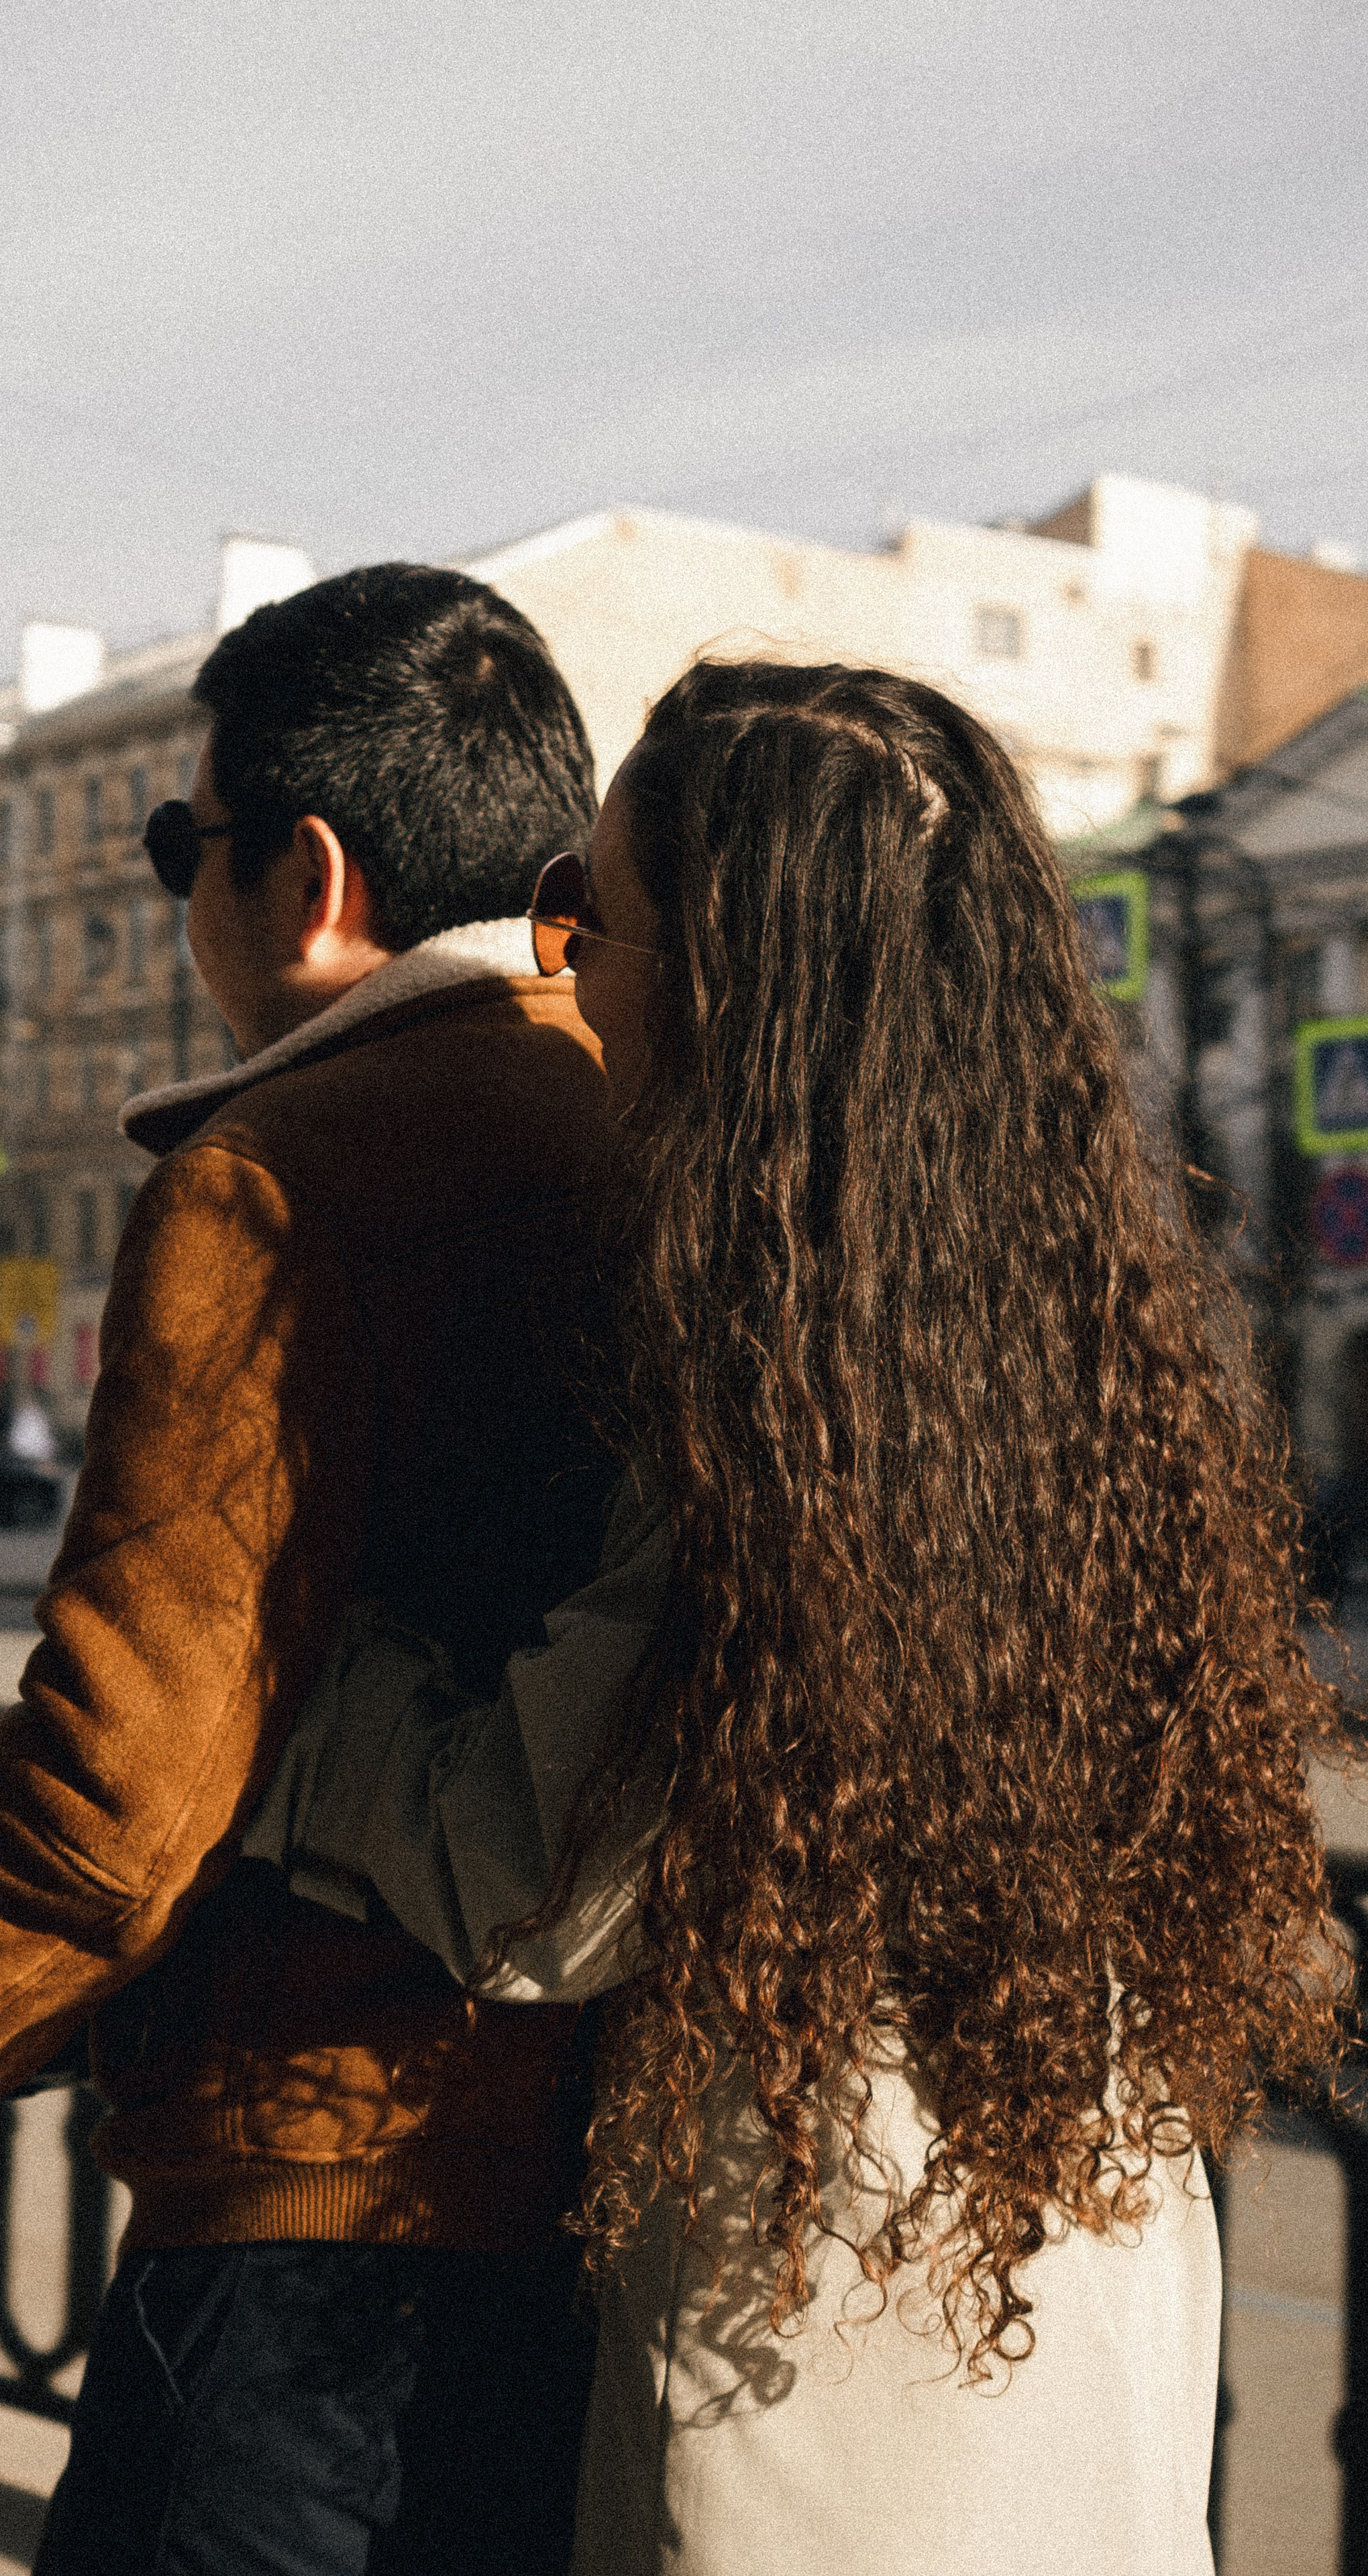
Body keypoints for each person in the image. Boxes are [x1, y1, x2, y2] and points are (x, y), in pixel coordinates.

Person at [246, 657, 1355, 2576]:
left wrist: (290, 1669)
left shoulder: (773, 1392)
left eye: (587, 911)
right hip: (1069, 2289)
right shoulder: (1090, 1338)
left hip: (817, 2366)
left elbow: (528, 1881)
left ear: (735, 978)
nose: (553, 959)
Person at [0, 564, 617, 2576]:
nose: (177, 895)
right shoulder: (621, 1113)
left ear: (304, 876)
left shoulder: (280, 1171)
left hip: (315, 2193)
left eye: (175, 845)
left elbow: (124, 1793)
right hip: (588, 2160)